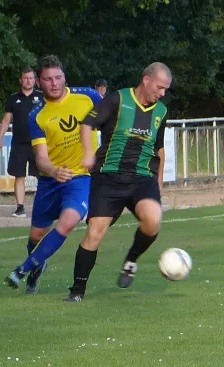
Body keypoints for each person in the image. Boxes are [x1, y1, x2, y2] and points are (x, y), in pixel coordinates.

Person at [64, 62, 172, 302]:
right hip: (109, 176)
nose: (162, 93)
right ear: (146, 79)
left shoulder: (161, 111)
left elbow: (159, 148)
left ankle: (131, 259)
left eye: (166, 89)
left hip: (142, 178)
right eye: (160, 87)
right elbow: (87, 124)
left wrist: (160, 181)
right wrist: (89, 153)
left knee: (153, 220)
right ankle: (77, 290)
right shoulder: (117, 99)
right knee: (95, 232)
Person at [4, 55, 101, 294]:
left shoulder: (88, 96)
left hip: (80, 177)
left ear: (64, 77)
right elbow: (41, 158)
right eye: (48, 79)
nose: (54, 83)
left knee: (68, 222)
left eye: (58, 77)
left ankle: (21, 270)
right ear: (39, 82)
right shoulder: (36, 115)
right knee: (36, 235)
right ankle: (37, 265)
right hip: (50, 180)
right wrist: (54, 171)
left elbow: (112, 118)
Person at [0, 67, 44, 217]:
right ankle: (20, 207)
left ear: (35, 81)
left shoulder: (43, 97)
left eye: (31, 78)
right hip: (19, 143)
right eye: (25, 78)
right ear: (20, 80)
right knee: (19, 175)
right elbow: (6, 120)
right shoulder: (13, 98)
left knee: (42, 175)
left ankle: (44, 206)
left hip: (38, 142)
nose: (28, 81)